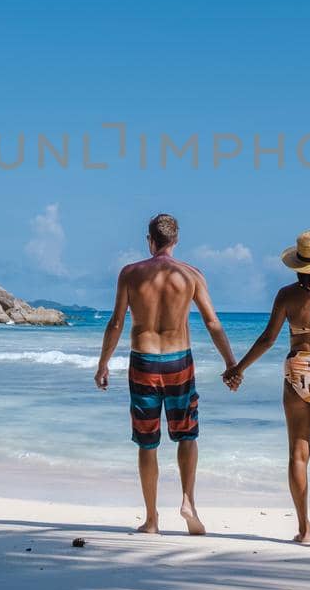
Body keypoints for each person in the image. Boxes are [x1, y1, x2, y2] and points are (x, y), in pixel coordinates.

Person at [95, 212, 239, 536]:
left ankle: (151, 519)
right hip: (179, 364)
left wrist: (103, 364)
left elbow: (116, 323)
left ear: (150, 241)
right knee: (187, 435)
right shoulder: (191, 275)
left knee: (147, 443)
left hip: (143, 362)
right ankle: (188, 502)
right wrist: (231, 363)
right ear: (175, 241)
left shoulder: (130, 274)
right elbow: (212, 322)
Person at [224, 230, 310, 546]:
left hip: (296, 369)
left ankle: (303, 530)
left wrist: (237, 369)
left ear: (297, 264)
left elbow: (268, 339)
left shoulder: (285, 295)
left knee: (298, 453)